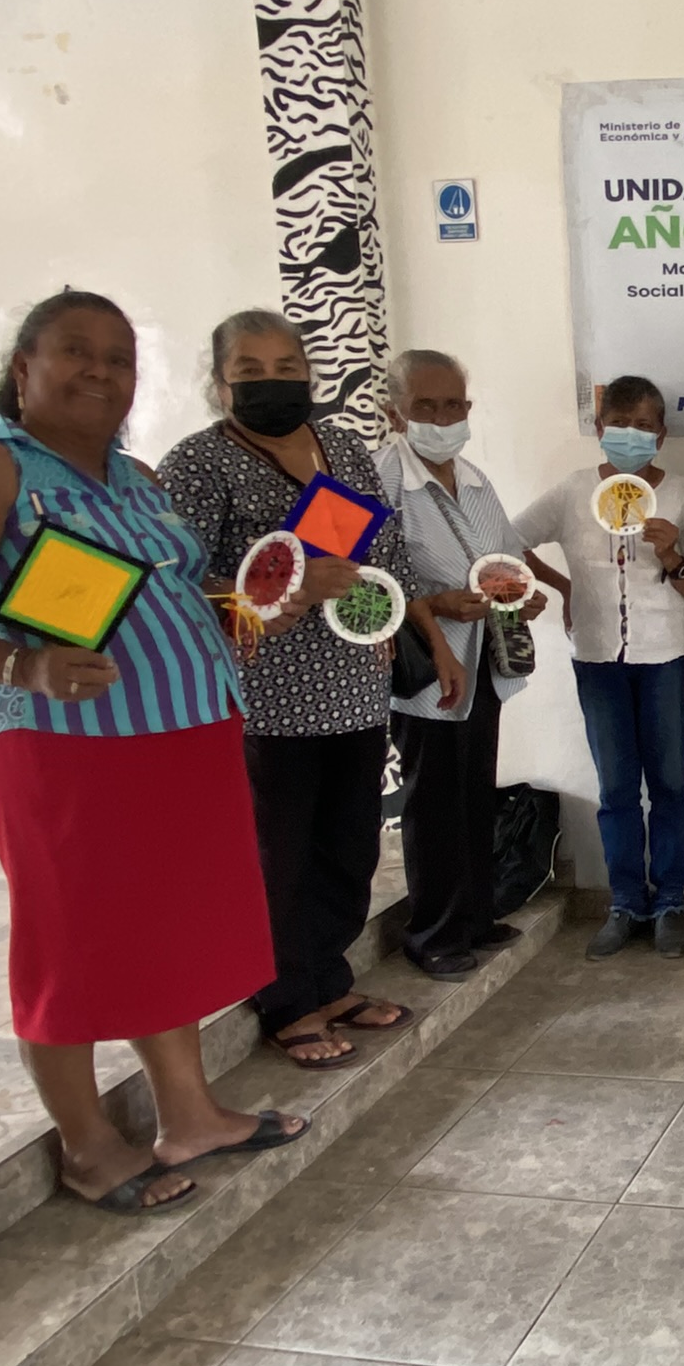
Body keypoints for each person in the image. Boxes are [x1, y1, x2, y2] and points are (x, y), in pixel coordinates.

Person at [0, 291, 307, 1214]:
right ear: (23, 369)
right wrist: (22, 664)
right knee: (72, 941)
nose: (101, 370)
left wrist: (249, 611)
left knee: (163, 931)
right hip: (64, 748)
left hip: (183, 736)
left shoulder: (136, 477)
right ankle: (87, 1146)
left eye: (120, 358)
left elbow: (168, 597)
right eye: (76, 351)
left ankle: (189, 1115)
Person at [159, 311, 463, 1070]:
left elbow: (385, 552)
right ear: (219, 382)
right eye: (251, 370)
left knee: (348, 846)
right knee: (280, 854)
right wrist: (282, 585)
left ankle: (330, 979)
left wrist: (418, 629)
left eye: (287, 367)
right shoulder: (199, 463)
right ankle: (287, 999)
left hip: (355, 688)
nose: (273, 382)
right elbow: (175, 582)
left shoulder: (343, 450)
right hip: (265, 698)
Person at [518, 375, 684, 960]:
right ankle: (626, 901)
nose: (631, 435)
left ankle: (670, 901)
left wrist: (672, 555)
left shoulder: (681, 494)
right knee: (616, 787)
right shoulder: (574, 491)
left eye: (644, 426)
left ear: (662, 434)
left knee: (671, 783)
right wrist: (564, 587)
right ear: (600, 430)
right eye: (619, 425)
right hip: (599, 657)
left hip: (667, 656)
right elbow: (507, 538)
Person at [377, 350, 547, 978]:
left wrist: (524, 594)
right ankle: (435, 933)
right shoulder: (380, 481)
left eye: (454, 405)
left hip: (485, 660)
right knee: (433, 803)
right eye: (426, 406)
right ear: (395, 412)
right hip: (428, 666)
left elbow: (505, 554)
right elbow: (370, 580)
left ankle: (476, 916)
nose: (443, 418)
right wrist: (439, 604)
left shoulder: (473, 478)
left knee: (475, 791)